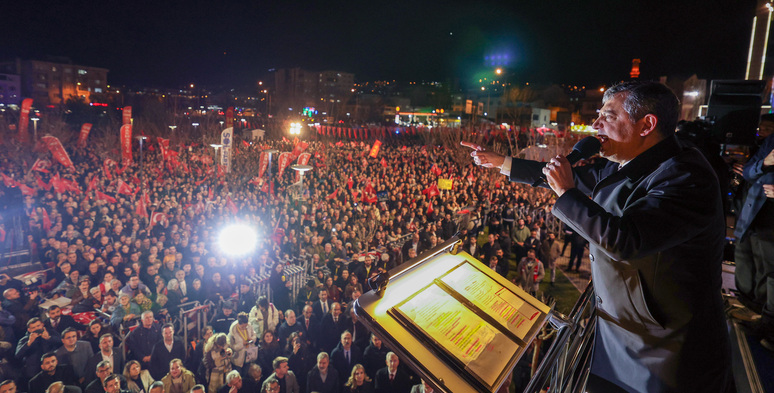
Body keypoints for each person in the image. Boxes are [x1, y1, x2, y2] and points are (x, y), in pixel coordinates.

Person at [465, 80, 733, 392]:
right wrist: (501, 162)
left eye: (608, 115)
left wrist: (566, 192)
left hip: (667, 350)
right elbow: (569, 178)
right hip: (623, 333)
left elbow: (626, 241)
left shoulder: (686, 177)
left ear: (647, 124)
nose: (595, 125)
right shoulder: (634, 163)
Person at [732, 129, 774, 350]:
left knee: (771, 274)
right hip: (753, 214)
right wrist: (765, 163)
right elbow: (749, 172)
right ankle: (755, 314)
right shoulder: (771, 142)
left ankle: (769, 325)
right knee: (749, 265)